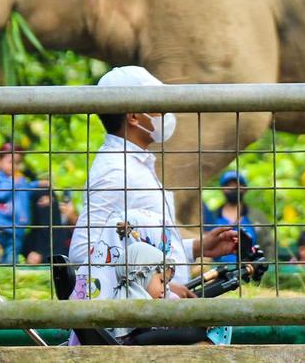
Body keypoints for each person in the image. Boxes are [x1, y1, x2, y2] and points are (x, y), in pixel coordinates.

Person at [67, 65, 240, 346]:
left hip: (156, 313)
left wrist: (196, 248)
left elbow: (134, 242)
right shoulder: (115, 171)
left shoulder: (136, 165)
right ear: (134, 116)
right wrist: (160, 287)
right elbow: (84, 252)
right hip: (137, 324)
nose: (165, 113)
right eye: (156, 106)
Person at [0, 144, 47, 263]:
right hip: (0, 229)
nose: (15, 166)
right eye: (11, 162)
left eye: (17, 163)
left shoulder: (19, 179)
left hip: (17, 230)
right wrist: (12, 183)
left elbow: (26, 190)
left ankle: (9, 277)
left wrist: (38, 185)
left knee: (12, 260)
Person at [203, 171, 261, 263]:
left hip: (249, 271)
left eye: (238, 185)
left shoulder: (257, 216)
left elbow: (267, 244)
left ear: (245, 189)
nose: (234, 188)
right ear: (222, 189)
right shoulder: (212, 216)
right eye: (229, 186)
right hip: (218, 272)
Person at [22, 188, 77, 265]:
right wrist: (30, 258)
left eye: (50, 201)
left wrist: (73, 218)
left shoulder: (69, 232)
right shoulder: (29, 239)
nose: (46, 205)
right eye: (41, 201)